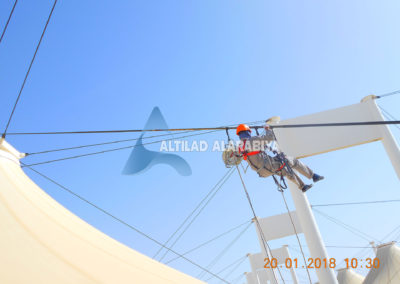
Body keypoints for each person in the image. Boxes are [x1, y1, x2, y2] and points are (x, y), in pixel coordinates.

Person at [235, 123, 324, 192]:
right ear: (248, 132)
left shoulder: (239, 147)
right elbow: (270, 138)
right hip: (269, 166)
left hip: (262, 172)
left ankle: (302, 186)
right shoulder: (253, 140)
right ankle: (313, 176)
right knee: (291, 161)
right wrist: (267, 129)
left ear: (239, 135)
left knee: (285, 170)